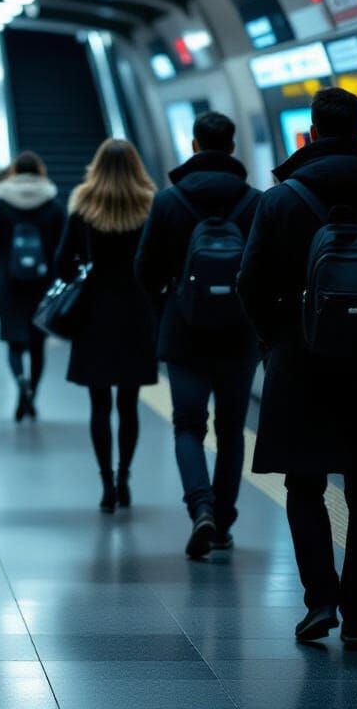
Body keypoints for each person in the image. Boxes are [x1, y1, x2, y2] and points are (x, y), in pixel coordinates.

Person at [238, 88, 357, 649]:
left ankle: (320, 600)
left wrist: (276, 340)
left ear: (312, 134)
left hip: (299, 360)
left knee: (305, 485)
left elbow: (251, 283)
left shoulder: (281, 200)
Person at [135, 112, 261, 558]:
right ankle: (223, 521)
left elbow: (145, 271)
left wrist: (167, 309)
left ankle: (200, 507)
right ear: (231, 147)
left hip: (184, 332)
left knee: (188, 425)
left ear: (194, 145)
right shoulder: (254, 201)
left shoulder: (169, 202)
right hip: (240, 336)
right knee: (231, 430)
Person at [53, 138, 157, 512]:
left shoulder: (84, 203)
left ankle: (106, 484)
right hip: (135, 312)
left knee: (99, 404)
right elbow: (156, 262)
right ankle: (125, 476)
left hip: (93, 313)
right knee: (128, 404)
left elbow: (63, 261)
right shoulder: (148, 202)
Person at [0, 152, 64, 420]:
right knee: (37, 344)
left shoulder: (1, 201)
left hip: (10, 281)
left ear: (14, 171)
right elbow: (61, 244)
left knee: (14, 342)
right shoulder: (52, 201)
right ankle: (33, 394)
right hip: (43, 282)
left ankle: (20, 381)